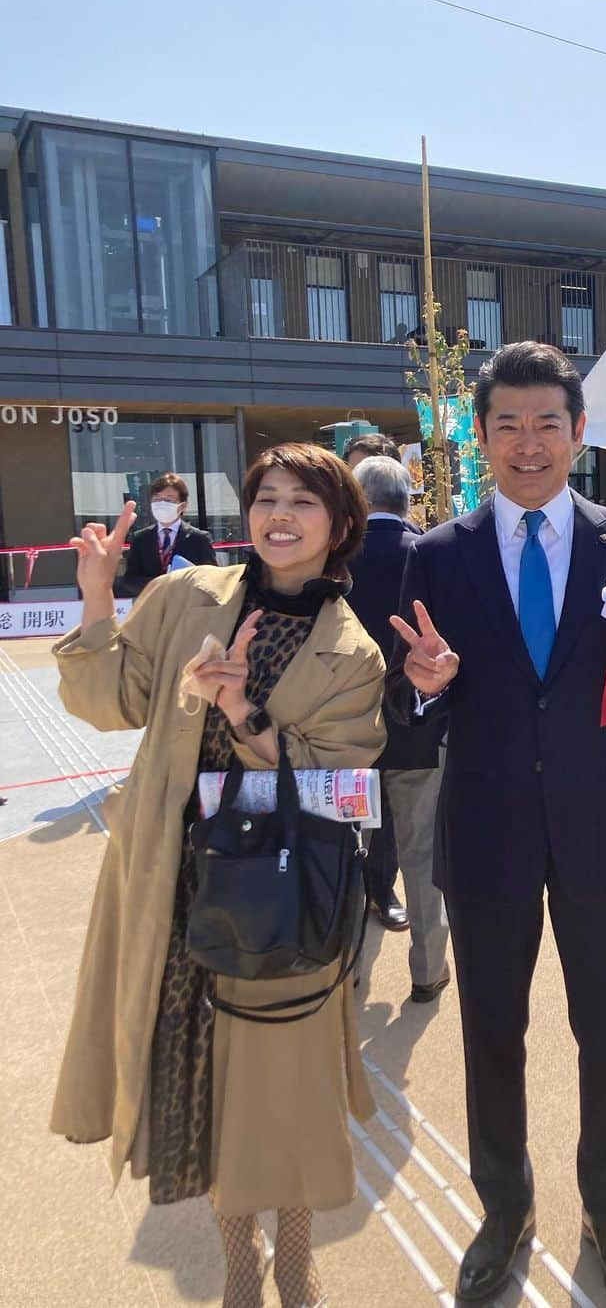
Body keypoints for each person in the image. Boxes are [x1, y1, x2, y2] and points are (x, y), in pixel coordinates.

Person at [386, 341, 606, 1306]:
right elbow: (409, 711)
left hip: (601, 829)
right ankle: (504, 1205)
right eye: (508, 426)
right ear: (481, 440)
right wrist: (426, 691)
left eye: (547, 424)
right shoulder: (437, 553)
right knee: (493, 1034)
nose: (529, 444)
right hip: (485, 836)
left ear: (579, 432)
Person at [51, 443, 387, 1308]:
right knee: (199, 1076)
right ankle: (240, 1256)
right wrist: (96, 597)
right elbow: (108, 703)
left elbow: (340, 790)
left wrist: (240, 711)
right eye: (267, 498)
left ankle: (298, 1253)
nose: (280, 515)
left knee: (287, 1086)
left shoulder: (353, 654)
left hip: (283, 894)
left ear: (340, 525)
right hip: (174, 881)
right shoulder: (184, 596)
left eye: (304, 502)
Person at [347, 455, 450, 999]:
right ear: (409, 500)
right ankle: (428, 969)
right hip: (417, 729)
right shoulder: (429, 554)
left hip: (346, 736)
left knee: (346, 853)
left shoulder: (335, 557)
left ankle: (350, 972)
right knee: (421, 853)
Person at [117, 473, 217, 597]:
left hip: (187, 607)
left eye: (168, 500)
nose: (161, 504)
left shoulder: (200, 539)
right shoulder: (140, 539)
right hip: (152, 607)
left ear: (182, 506)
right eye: (157, 499)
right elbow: (130, 580)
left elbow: (212, 579)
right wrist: (161, 585)